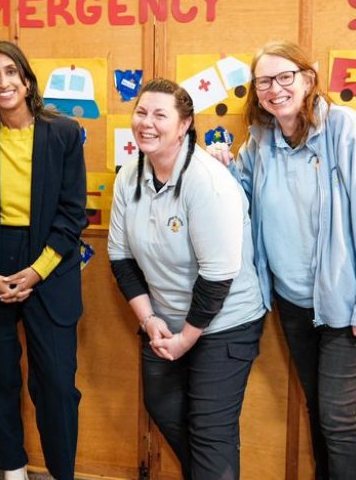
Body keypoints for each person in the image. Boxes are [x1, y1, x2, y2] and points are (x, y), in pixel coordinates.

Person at [208, 41, 356, 480]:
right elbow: (242, 201)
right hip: (295, 303)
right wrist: (222, 168)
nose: (274, 89)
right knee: (319, 410)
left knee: (339, 417)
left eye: (284, 77)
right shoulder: (260, 141)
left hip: (350, 301)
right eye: (263, 82)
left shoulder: (344, 128)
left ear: (308, 79)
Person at [107, 78, 266, 480]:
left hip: (226, 322)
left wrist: (185, 339)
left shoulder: (208, 181)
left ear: (184, 125)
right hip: (164, 320)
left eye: (160, 115)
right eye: (141, 112)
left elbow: (217, 276)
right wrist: (148, 320)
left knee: (211, 433)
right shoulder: (129, 175)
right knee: (163, 407)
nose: (147, 123)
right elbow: (120, 257)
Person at [0, 40, 87, 480]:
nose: (3, 82)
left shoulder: (64, 134)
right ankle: (13, 468)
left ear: (27, 80)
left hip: (48, 265)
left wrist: (35, 272)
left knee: (56, 386)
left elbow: (72, 215)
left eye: (11, 72)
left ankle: (62, 471)